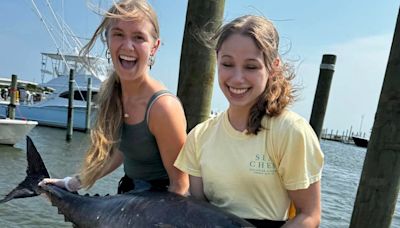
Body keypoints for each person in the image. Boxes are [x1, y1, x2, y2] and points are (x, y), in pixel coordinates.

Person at [174, 15, 324, 227]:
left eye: (251, 67)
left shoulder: (291, 131)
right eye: (227, 64)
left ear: (273, 68)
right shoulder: (199, 136)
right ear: (216, 61)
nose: (237, 78)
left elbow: (309, 215)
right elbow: (198, 211)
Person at [40, 0, 188, 195]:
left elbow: (181, 186)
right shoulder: (113, 94)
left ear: (154, 47)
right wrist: (71, 183)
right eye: (118, 34)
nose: (128, 46)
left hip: (160, 203)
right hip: (129, 193)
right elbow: (119, 152)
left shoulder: (163, 108)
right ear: (107, 39)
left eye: (138, 37)